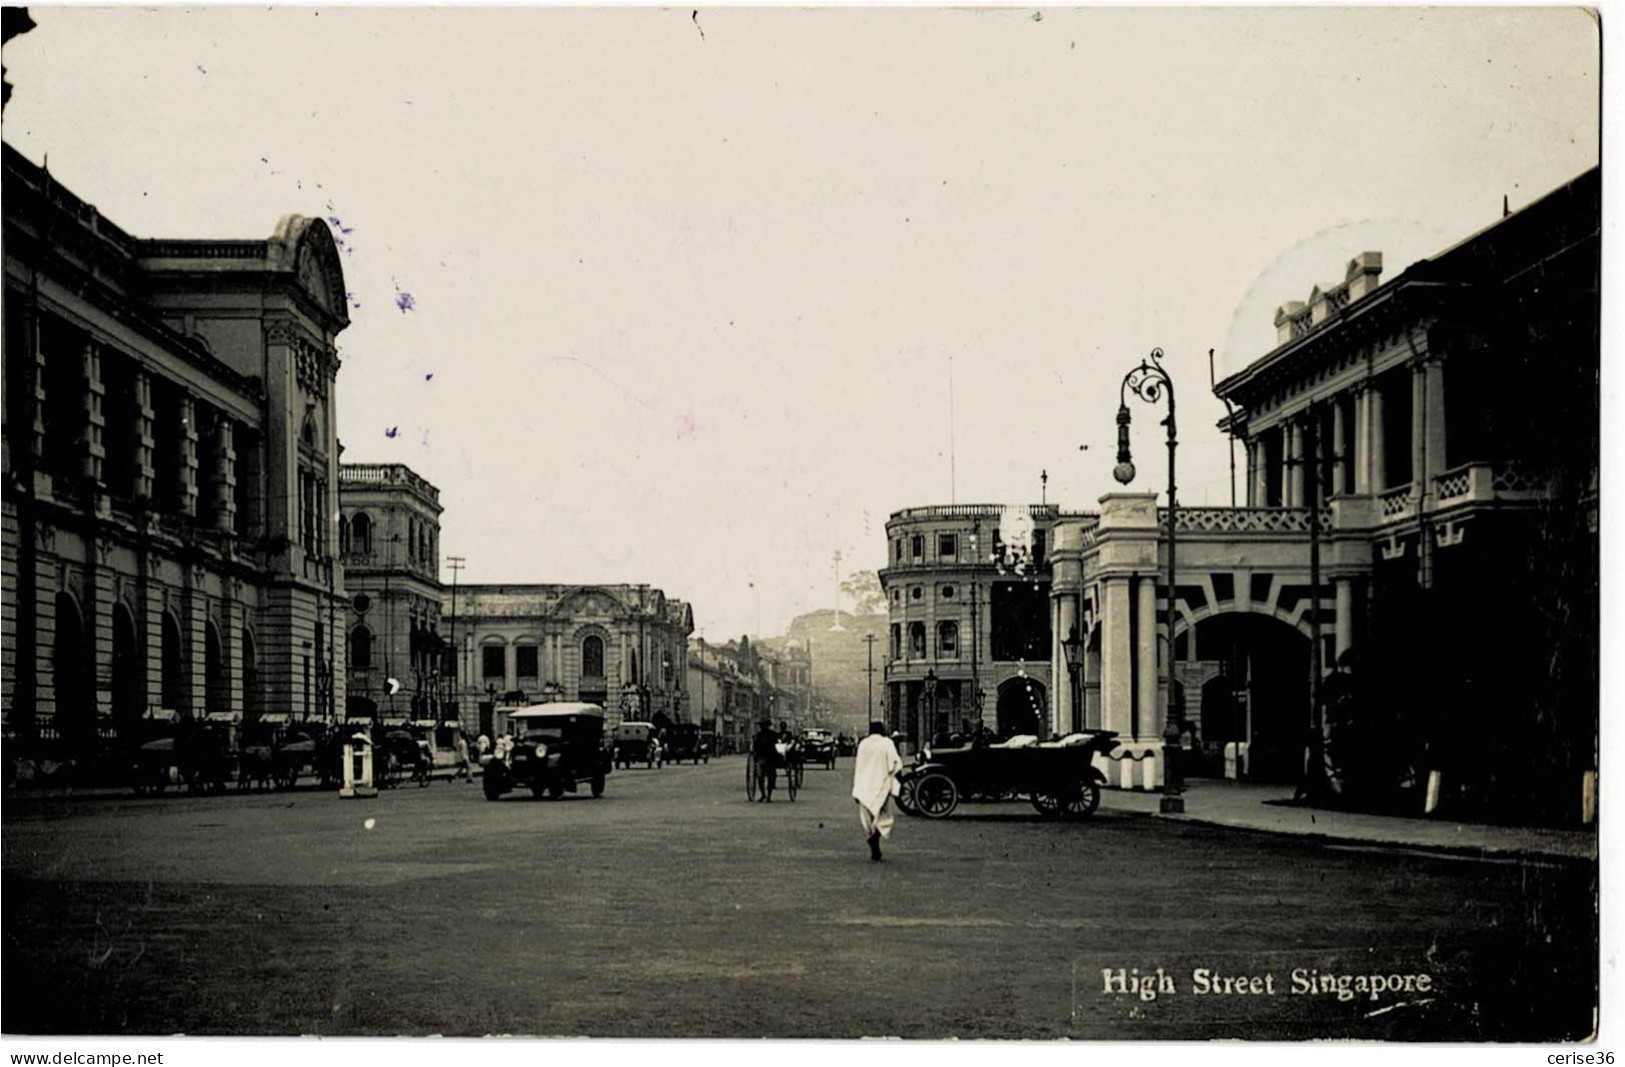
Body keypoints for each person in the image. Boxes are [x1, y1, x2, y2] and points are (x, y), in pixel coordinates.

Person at [851, 720, 903, 861]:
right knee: (883, 816)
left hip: (864, 786)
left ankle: (874, 844)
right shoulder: (886, 743)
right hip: (881, 785)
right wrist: (899, 778)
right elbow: (895, 762)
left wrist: (856, 789)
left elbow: (858, 767)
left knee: (868, 819)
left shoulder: (863, 744)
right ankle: (875, 839)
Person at [751, 719, 779, 802]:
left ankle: (767, 795)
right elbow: (755, 747)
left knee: (768, 777)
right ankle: (764, 795)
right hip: (763, 758)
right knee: (761, 777)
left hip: (770, 758)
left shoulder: (770, 734)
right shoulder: (760, 735)